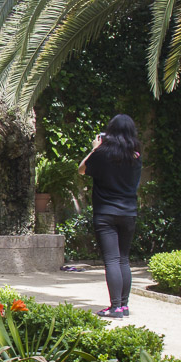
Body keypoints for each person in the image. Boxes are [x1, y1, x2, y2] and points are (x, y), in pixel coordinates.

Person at [78, 113, 142, 318]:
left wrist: (94, 149)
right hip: (129, 212)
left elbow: (81, 170)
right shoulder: (136, 157)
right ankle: (123, 305)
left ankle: (114, 307)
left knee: (112, 260)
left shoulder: (102, 154)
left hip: (106, 213)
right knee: (123, 259)